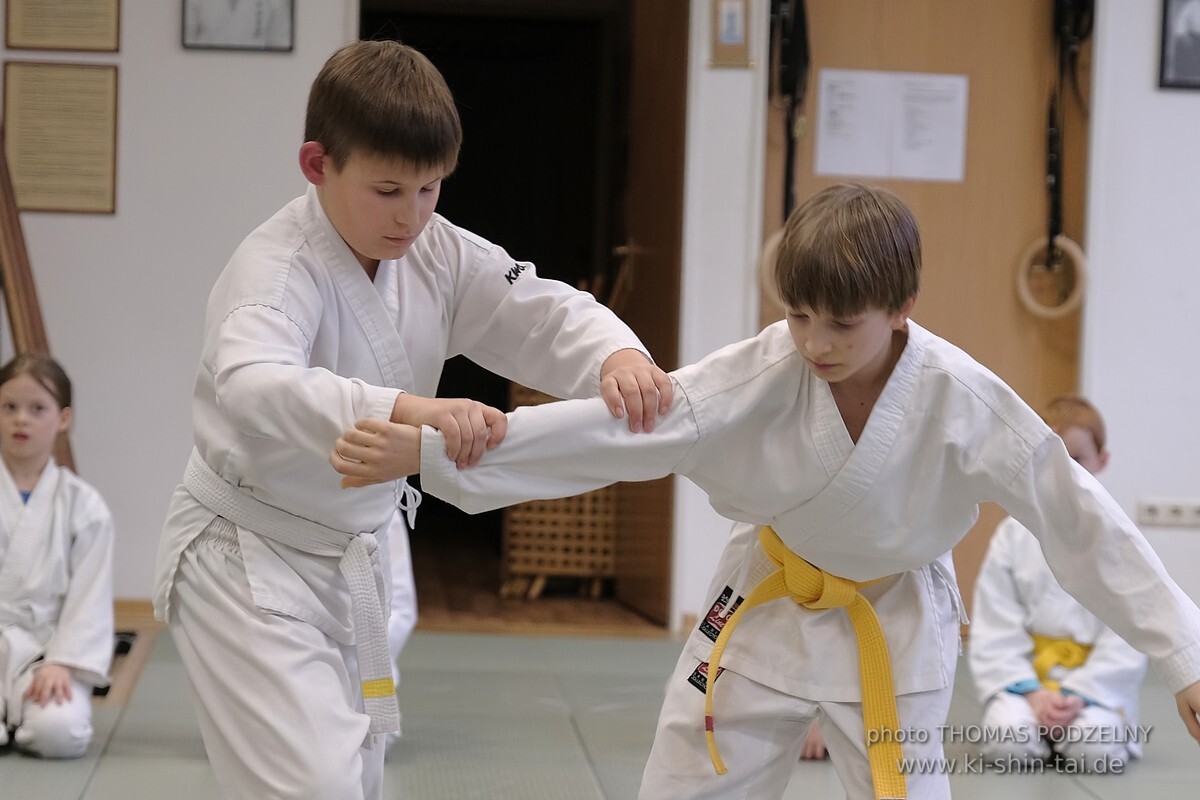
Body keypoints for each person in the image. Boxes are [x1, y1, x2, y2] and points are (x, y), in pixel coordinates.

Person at [331, 183, 1200, 800]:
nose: (814, 342)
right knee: (684, 775)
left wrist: (1184, 655)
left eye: (841, 323)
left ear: (901, 307)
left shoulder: (964, 402)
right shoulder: (762, 371)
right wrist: (432, 453)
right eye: (797, 314)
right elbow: (617, 434)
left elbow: (1077, 516)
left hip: (893, 622)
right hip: (765, 600)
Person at [152, 39, 671, 800]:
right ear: (316, 164)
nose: (412, 215)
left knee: (356, 778)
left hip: (355, 546)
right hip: (248, 558)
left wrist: (614, 356)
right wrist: (410, 409)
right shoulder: (275, 268)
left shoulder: (438, 252)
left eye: (431, 189)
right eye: (388, 189)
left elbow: (536, 313)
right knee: (312, 789)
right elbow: (253, 384)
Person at [969, 394, 1148, 769]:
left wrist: (1077, 695)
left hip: (1094, 690)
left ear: (1102, 461)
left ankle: (1074, 724)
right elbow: (994, 624)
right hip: (1026, 684)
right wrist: (1034, 695)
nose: (1065, 470)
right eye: (1053, 458)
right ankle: (1034, 720)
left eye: (1078, 458)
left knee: (1094, 751)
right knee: (1007, 744)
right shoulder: (1012, 536)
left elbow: (1132, 632)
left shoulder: (1120, 538)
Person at [0, 354, 114, 759]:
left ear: (63, 418)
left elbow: (90, 599)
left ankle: (31, 711)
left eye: (37, 409)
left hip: (46, 652)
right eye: (9, 407)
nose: (21, 420)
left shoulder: (84, 506)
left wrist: (63, 662)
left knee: (60, 733)